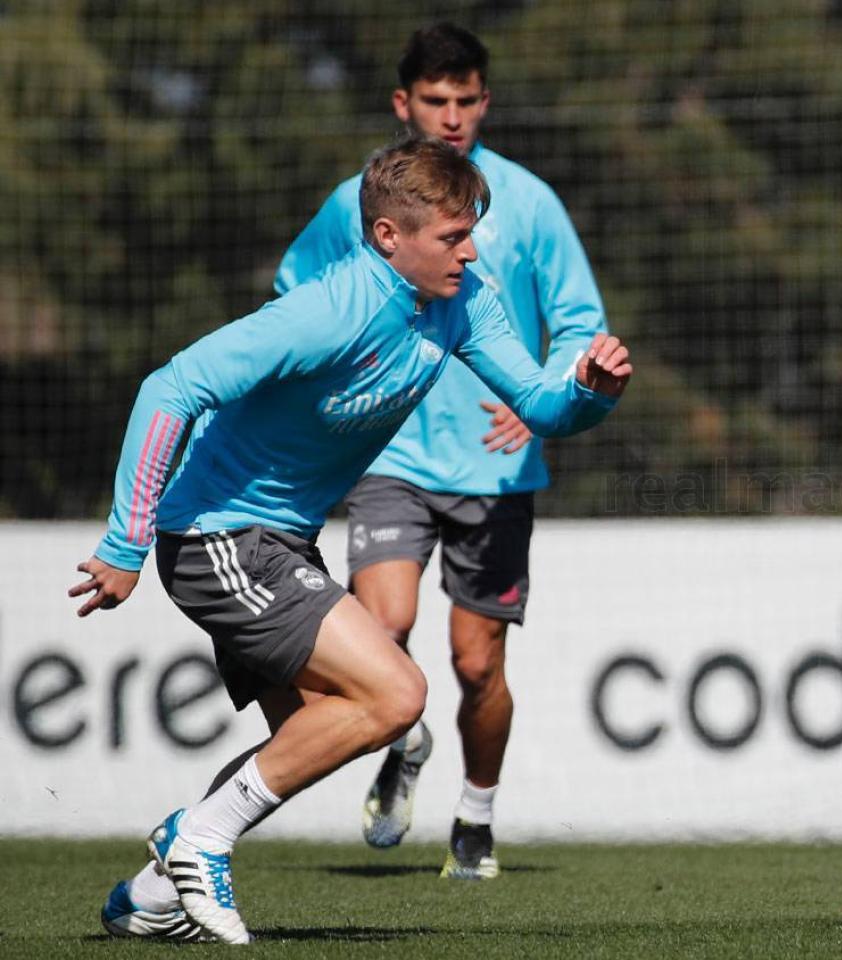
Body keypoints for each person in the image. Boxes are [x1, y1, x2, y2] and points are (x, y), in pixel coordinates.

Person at [75, 136, 632, 944]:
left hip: (283, 541)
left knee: (319, 729)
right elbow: (172, 387)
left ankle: (152, 895)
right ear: (387, 237)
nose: (471, 251)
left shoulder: (464, 298)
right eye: (451, 236)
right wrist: (125, 544)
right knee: (398, 695)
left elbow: (541, 407)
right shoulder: (330, 309)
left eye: (471, 231)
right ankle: (196, 840)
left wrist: (588, 391)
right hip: (215, 536)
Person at [274, 21, 608, 882]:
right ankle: (402, 733)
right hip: (388, 455)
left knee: (475, 660)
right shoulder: (360, 202)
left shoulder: (526, 204)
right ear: (403, 104)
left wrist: (544, 401)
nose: (451, 116)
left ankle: (477, 816)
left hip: (495, 469)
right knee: (378, 631)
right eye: (435, 100)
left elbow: (580, 320)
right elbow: (295, 290)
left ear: (484, 103)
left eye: (466, 100)